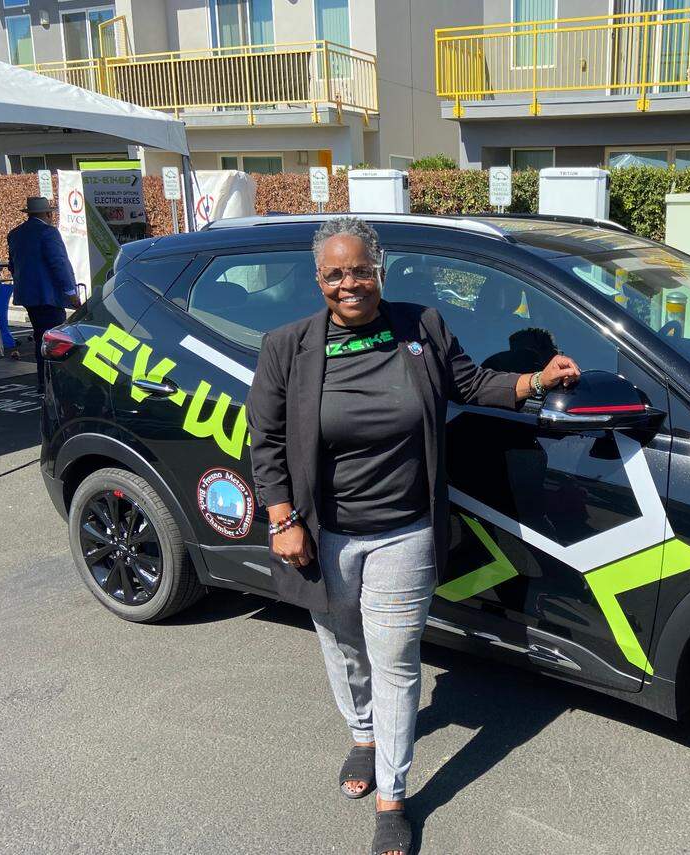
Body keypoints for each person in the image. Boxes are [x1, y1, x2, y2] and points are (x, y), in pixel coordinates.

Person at [246, 217, 580, 855]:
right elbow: (266, 441)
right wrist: (282, 518)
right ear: (319, 280)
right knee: (343, 644)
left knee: (396, 660)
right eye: (336, 274)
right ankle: (364, 735)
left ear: (381, 270)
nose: (351, 284)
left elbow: (469, 383)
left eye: (361, 270)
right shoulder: (286, 346)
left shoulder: (419, 327)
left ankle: (393, 795)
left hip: (407, 528)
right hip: (325, 533)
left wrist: (536, 380)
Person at [7, 196, 82, 391]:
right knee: (54, 340)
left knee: (41, 336)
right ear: (48, 214)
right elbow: (59, 264)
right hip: (49, 296)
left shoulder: (15, 234)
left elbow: (13, 265)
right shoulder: (48, 232)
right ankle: (52, 383)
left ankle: (43, 380)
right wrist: (71, 293)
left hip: (28, 295)